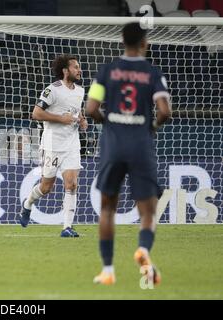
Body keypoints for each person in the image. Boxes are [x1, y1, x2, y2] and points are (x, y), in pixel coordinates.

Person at [86, 22, 171, 285]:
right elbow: (165, 111)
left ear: (122, 41)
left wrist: (107, 121)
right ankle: (143, 251)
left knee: (108, 209)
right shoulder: (152, 72)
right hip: (140, 145)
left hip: (113, 144)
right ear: (144, 43)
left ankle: (108, 271)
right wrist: (151, 127)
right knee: (147, 211)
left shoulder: (106, 71)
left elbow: (90, 109)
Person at [19, 54, 88, 237]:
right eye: (75, 67)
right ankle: (27, 204)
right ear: (65, 71)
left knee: (72, 184)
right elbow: (36, 113)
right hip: (52, 144)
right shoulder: (52, 90)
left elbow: (76, 111)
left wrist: (82, 120)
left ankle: (67, 227)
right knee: (46, 187)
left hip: (72, 143)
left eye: (78, 67)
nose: (79, 70)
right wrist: (60, 119)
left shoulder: (80, 91)